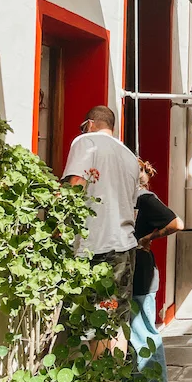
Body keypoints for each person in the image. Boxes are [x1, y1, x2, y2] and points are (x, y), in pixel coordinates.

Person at [63, 105, 140, 353]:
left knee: (97, 320)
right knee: (116, 320)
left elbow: (77, 184)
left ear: (90, 124)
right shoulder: (128, 155)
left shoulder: (86, 141)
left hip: (96, 247)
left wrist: (60, 225)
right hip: (125, 248)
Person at [132, 159, 183, 382]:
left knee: (143, 330)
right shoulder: (130, 198)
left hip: (141, 273)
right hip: (132, 272)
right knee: (135, 331)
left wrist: (149, 237)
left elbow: (176, 223)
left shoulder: (144, 199)